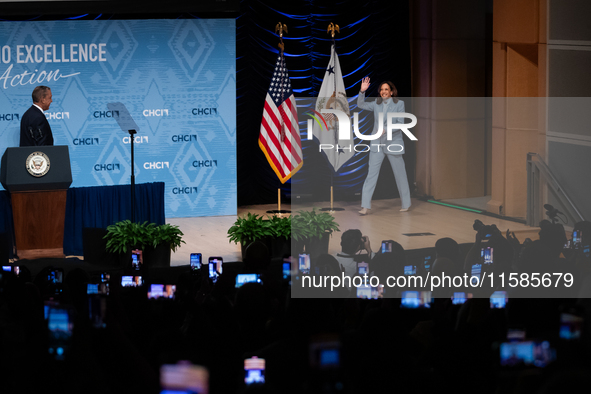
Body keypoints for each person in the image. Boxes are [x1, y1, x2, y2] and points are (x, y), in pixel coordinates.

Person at [356, 77, 411, 214]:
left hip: (393, 143)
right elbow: (360, 105)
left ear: (392, 92)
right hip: (377, 144)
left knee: (400, 175)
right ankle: (365, 206)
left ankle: (406, 203)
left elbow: (400, 122)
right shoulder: (376, 103)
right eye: (381, 89)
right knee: (371, 175)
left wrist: (386, 129)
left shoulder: (399, 104)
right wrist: (362, 91)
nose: (383, 92)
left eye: (386, 89)